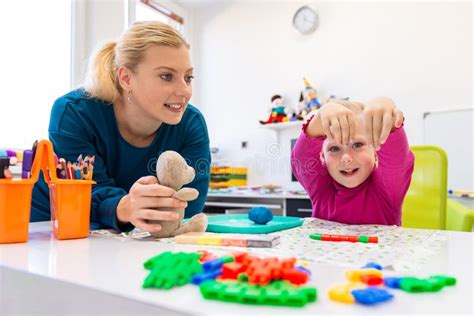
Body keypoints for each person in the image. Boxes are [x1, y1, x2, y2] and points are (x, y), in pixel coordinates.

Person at [31, 21, 211, 234]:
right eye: (166, 76)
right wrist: (124, 206)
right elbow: (82, 195)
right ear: (126, 78)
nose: (185, 91)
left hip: (123, 235)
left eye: (188, 77)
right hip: (47, 226)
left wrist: (141, 210)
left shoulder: (191, 124)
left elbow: (187, 205)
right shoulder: (74, 113)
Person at [291, 97, 414, 225]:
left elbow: (396, 159)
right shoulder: (321, 188)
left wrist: (387, 117)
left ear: (376, 152)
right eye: (334, 148)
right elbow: (301, 159)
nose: (346, 158)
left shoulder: (388, 190)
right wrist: (319, 118)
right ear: (322, 156)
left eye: (357, 145)